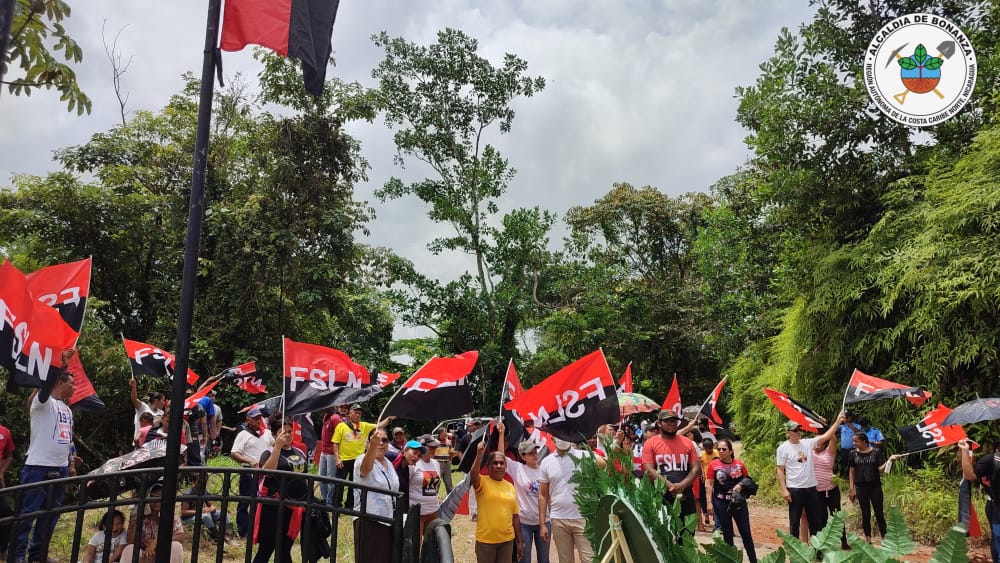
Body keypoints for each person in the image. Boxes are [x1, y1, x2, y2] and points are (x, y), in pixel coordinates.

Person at [13, 366, 76, 563]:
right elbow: (44, 388)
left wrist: (71, 461)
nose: (74, 388)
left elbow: (68, 438)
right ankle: (17, 556)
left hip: (60, 468)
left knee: (51, 516)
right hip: (38, 467)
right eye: (71, 383)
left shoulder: (66, 408)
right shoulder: (42, 403)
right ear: (59, 383)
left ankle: (37, 556)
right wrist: (60, 365)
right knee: (27, 516)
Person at [775, 414, 843, 541]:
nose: (798, 432)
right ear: (788, 432)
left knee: (815, 520)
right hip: (795, 488)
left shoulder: (807, 443)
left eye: (799, 429)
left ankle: (817, 551)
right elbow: (780, 469)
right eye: (795, 430)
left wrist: (838, 421)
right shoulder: (783, 448)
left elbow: (827, 436)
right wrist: (784, 489)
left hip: (811, 488)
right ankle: (795, 549)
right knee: (795, 520)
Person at [539, 437, 605, 563]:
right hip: (558, 519)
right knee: (565, 560)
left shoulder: (584, 455)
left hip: (583, 519)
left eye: (565, 435)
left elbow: (605, 465)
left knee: (590, 559)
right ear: (552, 438)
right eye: (558, 435)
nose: (562, 438)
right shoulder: (546, 462)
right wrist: (542, 524)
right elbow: (543, 495)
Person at [253, 413, 308, 563]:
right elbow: (268, 473)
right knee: (266, 548)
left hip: (294, 508)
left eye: (290, 431)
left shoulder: (300, 453)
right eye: (283, 432)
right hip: (272, 507)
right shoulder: (268, 453)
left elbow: (305, 477)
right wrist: (277, 447)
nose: (287, 435)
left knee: (285, 549)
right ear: (274, 434)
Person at [641, 410, 700, 532]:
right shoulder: (650, 443)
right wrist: (669, 486)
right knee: (664, 535)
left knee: (688, 532)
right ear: (659, 423)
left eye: (674, 421)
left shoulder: (687, 442)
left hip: (686, 495)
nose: (672, 423)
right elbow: (648, 469)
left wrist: (681, 486)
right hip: (661, 497)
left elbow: (696, 468)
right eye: (668, 421)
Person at [353, 417, 399, 563]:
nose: (381, 443)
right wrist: (372, 448)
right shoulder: (361, 459)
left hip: (388, 520)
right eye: (376, 439)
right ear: (368, 442)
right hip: (369, 520)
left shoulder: (389, 463)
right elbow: (365, 470)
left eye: (384, 440)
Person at [471, 439, 523, 563]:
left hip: (507, 541)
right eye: (495, 463)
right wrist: (479, 455)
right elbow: (473, 475)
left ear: (506, 466)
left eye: (502, 463)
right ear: (488, 466)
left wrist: (519, 542)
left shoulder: (510, 486)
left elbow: (515, 517)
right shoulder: (482, 482)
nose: (499, 466)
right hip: (486, 542)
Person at [705, 439, 757, 563]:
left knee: (746, 533)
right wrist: (709, 502)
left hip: (738, 502)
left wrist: (741, 485)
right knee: (727, 534)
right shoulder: (714, 465)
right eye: (719, 449)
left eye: (724, 449)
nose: (721, 451)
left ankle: (753, 560)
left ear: (731, 451)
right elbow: (709, 484)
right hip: (721, 502)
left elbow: (748, 480)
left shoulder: (739, 464)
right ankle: (731, 560)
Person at [848, 433, 901, 543]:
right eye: (853, 441)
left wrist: (889, 460)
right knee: (865, 513)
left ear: (864, 441)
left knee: (879, 513)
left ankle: (885, 538)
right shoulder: (852, 454)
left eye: (856, 441)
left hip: (875, 486)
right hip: (861, 487)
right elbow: (852, 471)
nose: (854, 443)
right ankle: (868, 539)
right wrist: (852, 489)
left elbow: (880, 469)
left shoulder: (876, 452)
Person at [229, 407, 272, 538]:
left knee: (263, 503)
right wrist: (249, 461)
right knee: (245, 502)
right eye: (255, 418)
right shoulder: (243, 434)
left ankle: (259, 529)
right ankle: (243, 531)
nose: (259, 420)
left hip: (265, 472)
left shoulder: (267, 433)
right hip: (249, 472)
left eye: (260, 418)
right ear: (248, 419)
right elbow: (234, 453)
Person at [120, 481, 186, 563]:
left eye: (160, 499)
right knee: (129, 549)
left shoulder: (170, 514)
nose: (157, 503)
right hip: (143, 555)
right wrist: (140, 516)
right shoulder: (137, 515)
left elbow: (180, 536)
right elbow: (131, 541)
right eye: (154, 499)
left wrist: (156, 542)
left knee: (176, 546)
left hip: (162, 553)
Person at [507, 440, 550, 563]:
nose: (534, 455)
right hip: (524, 523)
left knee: (544, 559)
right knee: (524, 559)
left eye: (535, 452)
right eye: (530, 453)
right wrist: (500, 434)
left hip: (544, 521)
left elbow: (549, 496)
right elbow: (501, 457)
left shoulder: (544, 470)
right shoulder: (517, 468)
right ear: (522, 456)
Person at [959, 438, 1000, 561]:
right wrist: (965, 451)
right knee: (998, 538)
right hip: (997, 507)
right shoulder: (991, 461)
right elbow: (969, 475)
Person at [331, 404, 376, 509]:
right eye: (356, 412)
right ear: (350, 413)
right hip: (343, 460)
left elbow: (378, 425)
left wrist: (389, 419)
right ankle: (336, 505)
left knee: (354, 484)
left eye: (360, 413)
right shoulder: (341, 426)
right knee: (339, 483)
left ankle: (350, 505)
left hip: (357, 461)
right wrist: (337, 458)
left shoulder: (364, 426)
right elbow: (335, 443)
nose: (358, 415)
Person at [813, 426, 849, 550]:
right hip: (817, 491)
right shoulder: (809, 453)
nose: (815, 444)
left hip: (831, 489)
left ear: (824, 445)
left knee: (837, 516)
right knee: (821, 519)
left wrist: (825, 427)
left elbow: (833, 439)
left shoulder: (829, 452)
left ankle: (843, 541)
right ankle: (822, 545)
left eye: (819, 442)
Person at [409, 435, 442, 539]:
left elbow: (437, 485)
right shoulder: (414, 464)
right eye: (430, 447)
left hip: (433, 511)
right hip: (417, 512)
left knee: (432, 544)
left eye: (435, 447)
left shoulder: (436, 463)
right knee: (415, 545)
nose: (434, 450)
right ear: (422, 447)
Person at [180, 473, 224, 542]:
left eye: (205, 481)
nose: (203, 483)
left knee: (223, 513)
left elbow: (210, 505)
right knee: (206, 516)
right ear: (194, 482)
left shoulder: (203, 491)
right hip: (188, 518)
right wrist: (200, 511)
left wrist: (212, 508)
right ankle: (216, 538)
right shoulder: (188, 494)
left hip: (201, 514)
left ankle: (229, 536)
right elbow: (183, 512)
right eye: (201, 481)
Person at [319, 406, 345, 505]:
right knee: (322, 478)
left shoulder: (335, 418)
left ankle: (329, 502)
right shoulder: (326, 416)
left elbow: (340, 436)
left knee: (331, 479)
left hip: (331, 453)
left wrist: (337, 455)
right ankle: (325, 499)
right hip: (323, 451)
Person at [699, 437, 721, 531]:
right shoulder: (701, 454)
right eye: (707, 449)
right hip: (706, 479)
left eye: (710, 448)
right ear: (704, 448)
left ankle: (717, 522)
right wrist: (703, 474)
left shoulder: (717, 452)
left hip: (715, 479)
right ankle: (706, 515)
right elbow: (700, 464)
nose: (709, 450)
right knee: (705, 499)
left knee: (715, 499)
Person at [0, 421, 13, 557]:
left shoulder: (5, 432)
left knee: (7, 515)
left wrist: (1, 472)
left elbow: (9, 456)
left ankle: (3, 549)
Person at [433, 427, 458, 493]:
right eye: (445, 432)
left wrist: (451, 460)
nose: (446, 433)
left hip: (447, 463)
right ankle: (434, 497)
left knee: (448, 482)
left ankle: (450, 497)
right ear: (440, 433)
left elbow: (451, 452)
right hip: (438, 464)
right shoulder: (435, 442)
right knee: (437, 481)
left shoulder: (448, 442)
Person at [838, 410, 861, 477]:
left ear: (851, 417)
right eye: (845, 416)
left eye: (847, 416)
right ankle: (842, 476)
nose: (846, 418)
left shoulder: (857, 426)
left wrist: (847, 423)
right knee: (843, 463)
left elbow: (858, 432)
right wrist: (839, 420)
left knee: (852, 464)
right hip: (844, 449)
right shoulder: (842, 426)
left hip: (853, 449)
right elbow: (833, 428)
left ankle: (850, 477)